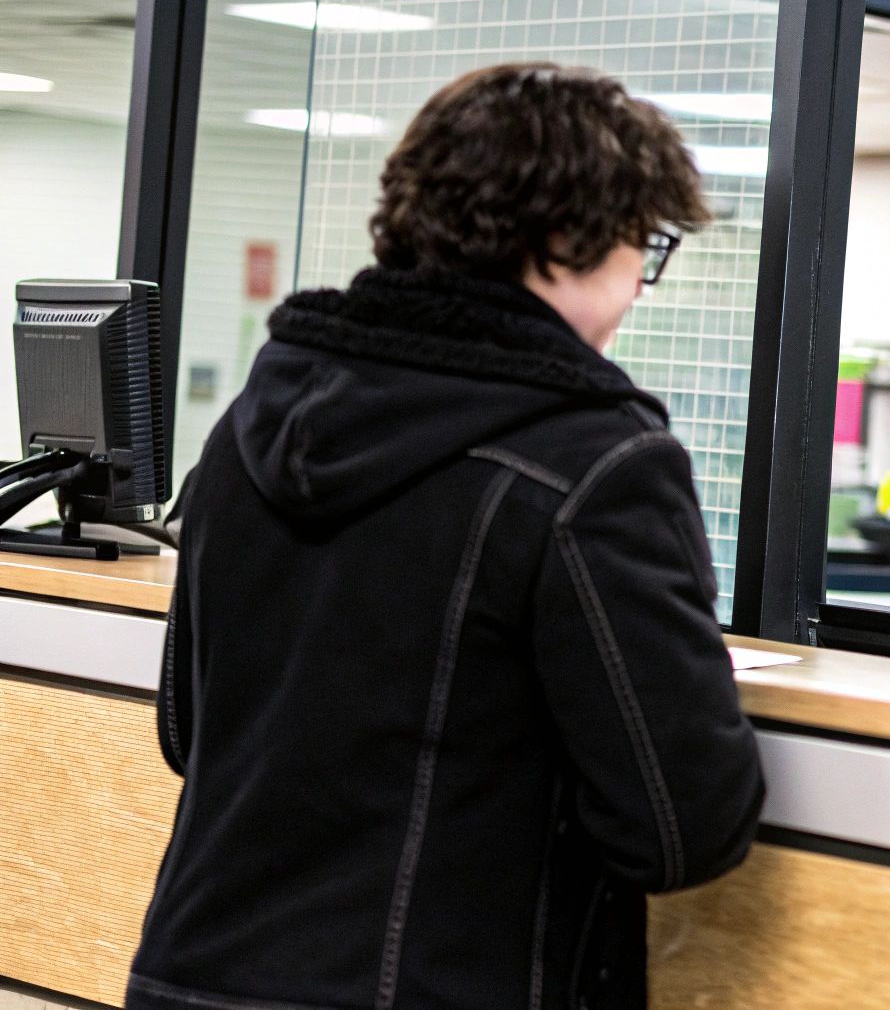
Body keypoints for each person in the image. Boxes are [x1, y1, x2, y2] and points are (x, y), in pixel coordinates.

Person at [129, 64, 764, 1010]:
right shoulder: (599, 465)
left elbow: (190, 729)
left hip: (190, 975)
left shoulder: (253, 424)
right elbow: (678, 826)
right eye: (645, 247)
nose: (642, 285)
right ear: (563, 238)